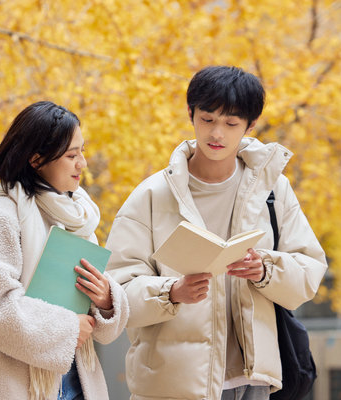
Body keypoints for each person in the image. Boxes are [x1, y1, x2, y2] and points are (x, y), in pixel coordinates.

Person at [105, 66, 327, 400]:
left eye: (231, 123)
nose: (217, 134)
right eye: (207, 119)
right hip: (173, 384)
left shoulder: (273, 190)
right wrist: (171, 292)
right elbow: (116, 292)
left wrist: (265, 269)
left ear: (250, 125)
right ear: (191, 114)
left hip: (252, 381)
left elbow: (309, 272)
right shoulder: (151, 196)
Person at [0, 100, 129, 400]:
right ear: (36, 160)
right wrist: (65, 329)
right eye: (71, 155)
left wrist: (106, 299)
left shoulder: (77, 217)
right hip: (17, 385)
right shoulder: (4, 215)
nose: (82, 163)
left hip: (78, 383)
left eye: (82, 152)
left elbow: (98, 322)